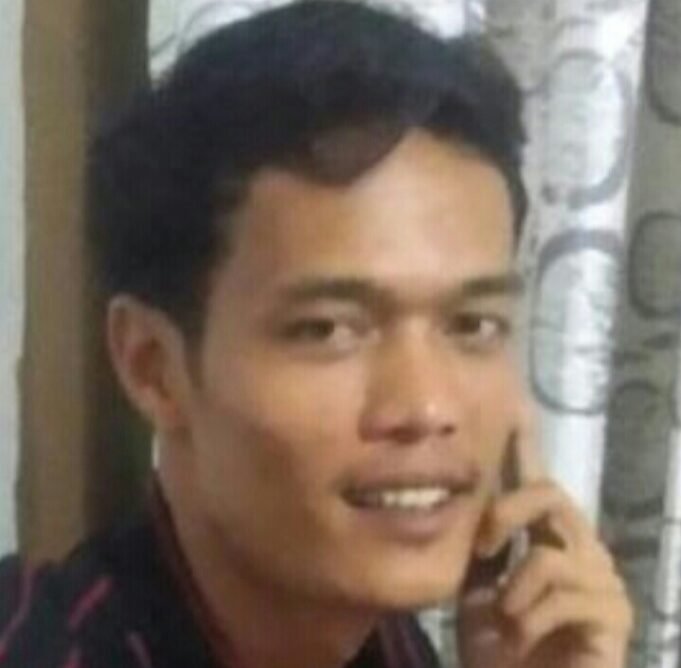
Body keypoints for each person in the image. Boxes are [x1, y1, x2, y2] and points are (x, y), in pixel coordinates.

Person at [0, 2, 633, 667]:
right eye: (328, 330)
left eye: (471, 324)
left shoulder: (378, 639)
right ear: (152, 366)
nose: (426, 407)